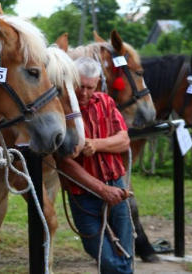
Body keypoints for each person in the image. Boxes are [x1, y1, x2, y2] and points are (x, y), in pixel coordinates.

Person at [56, 57, 134, 273]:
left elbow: (124, 140)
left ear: (97, 83)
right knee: (104, 255)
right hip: (83, 193)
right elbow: (64, 162)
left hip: (115, 184)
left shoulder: (106, 102)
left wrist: (96, 144)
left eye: (90, 87)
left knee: (125, 250)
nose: (84, 92)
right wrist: (102, 189)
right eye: (80, 86)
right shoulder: (62, 109)